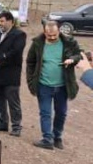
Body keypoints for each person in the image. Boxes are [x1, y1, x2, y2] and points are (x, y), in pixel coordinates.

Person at [25, 20, 83, 150]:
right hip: (43, 85)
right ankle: (47, 139)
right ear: (44, 32)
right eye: (48, 35)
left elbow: (78, 55)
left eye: (54, 35)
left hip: (63, 85)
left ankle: (57, 137)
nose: (51, 37)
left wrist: (72, 59)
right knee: (45, 113)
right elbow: (30, 62)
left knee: (61, 113)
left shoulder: (69, 42)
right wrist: (31, 80)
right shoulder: (37, 44)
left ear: (59, 31)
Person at [0, 11, 27, 136]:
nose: (0, 23)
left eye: (2, 21)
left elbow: (15, 52)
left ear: (10, 21)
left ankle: (16, 126)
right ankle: (2, 123)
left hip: (10, 74)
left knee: (13, 101)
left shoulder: (19, 35)